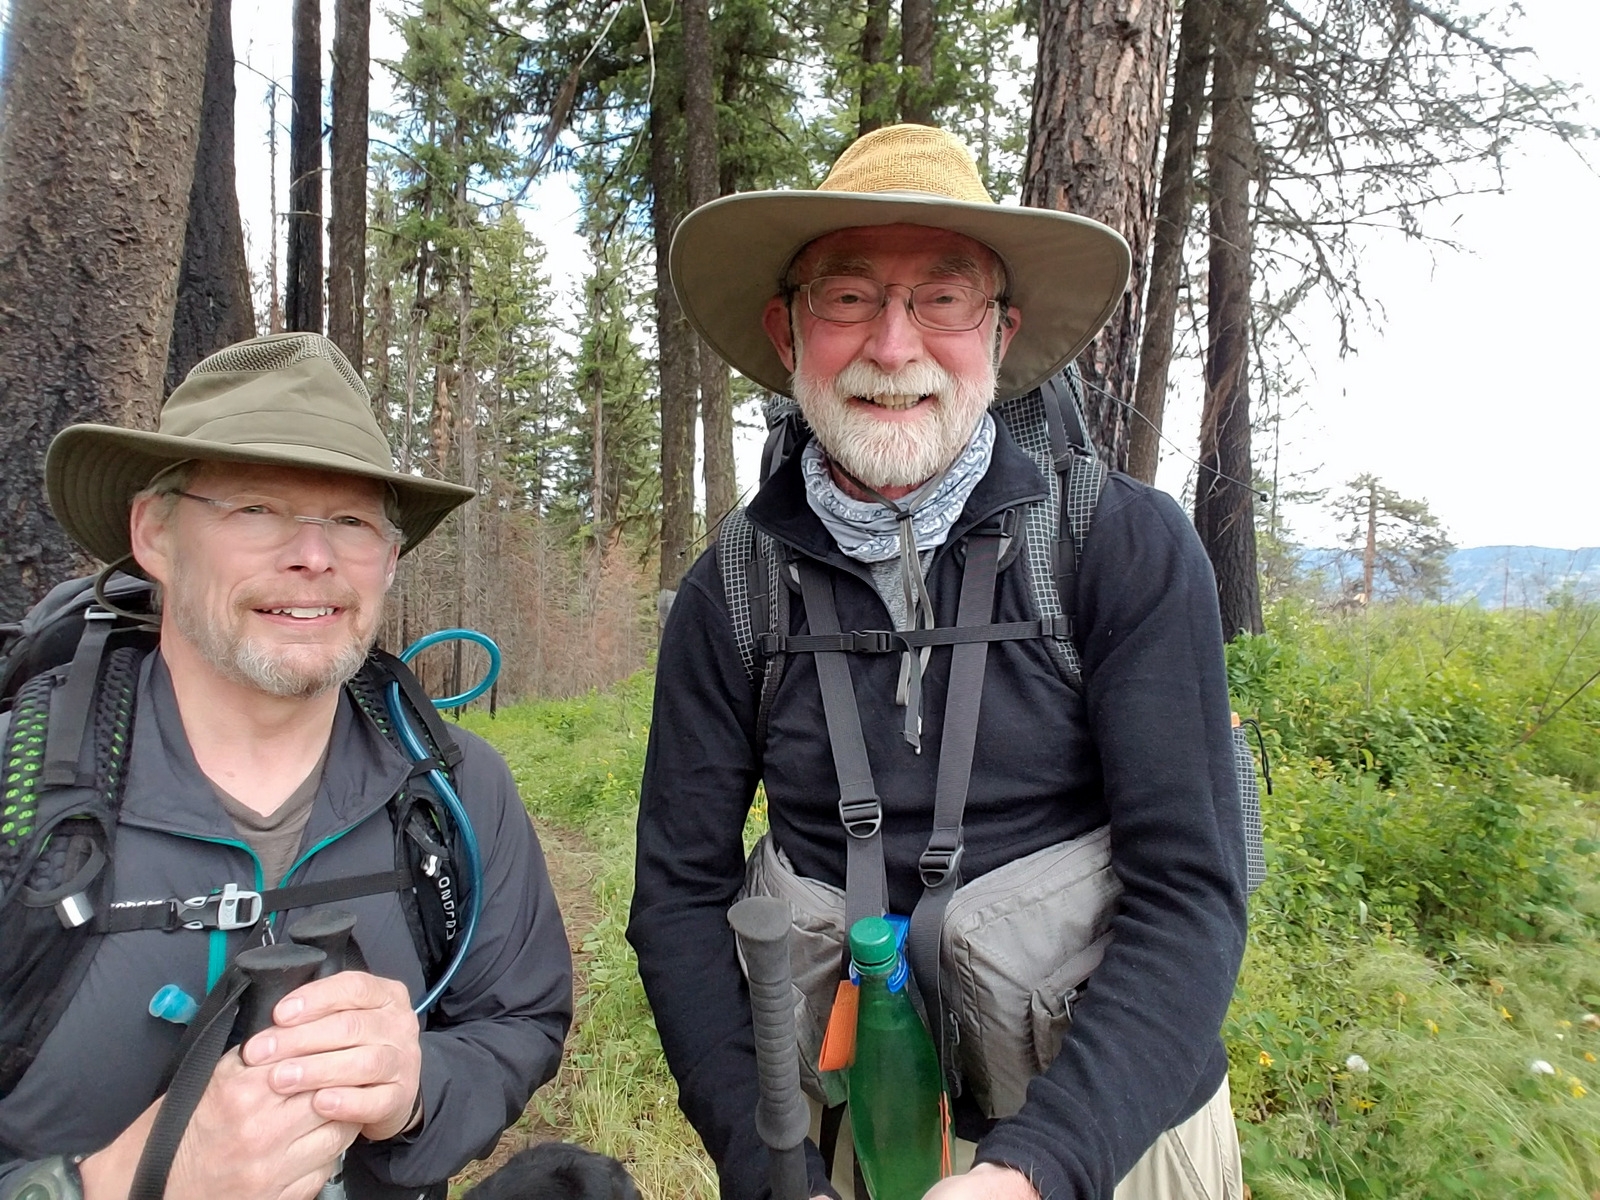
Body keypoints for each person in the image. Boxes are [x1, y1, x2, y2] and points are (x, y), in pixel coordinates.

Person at [628, 124, 1247, 1200]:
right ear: (786, 331)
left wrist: (1035, 1170)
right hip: (846, 1140)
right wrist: (760, 1157)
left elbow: (1190, 892)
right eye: (849, 297)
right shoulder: (729, 590)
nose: (894, 345)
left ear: (1000, 332)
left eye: (943, 298)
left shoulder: (1120, 548)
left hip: (1115, 1133)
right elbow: (676, 896)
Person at [0, 333, 573, 1200]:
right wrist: (120, 1182)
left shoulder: (455, 792)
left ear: (386, 558)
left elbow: (520, 1022)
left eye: (350, 520)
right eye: (257, 509)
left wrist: (419, 1086)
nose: (314, 557)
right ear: (155, 533)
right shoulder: (18, 792)